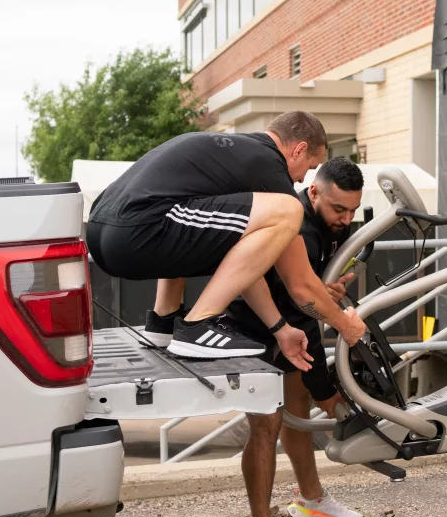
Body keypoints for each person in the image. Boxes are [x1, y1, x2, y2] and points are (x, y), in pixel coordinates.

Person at [86, 111, 366, 363]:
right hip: (135, 229)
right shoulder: (269, 168)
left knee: (198, 213)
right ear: (299, 149)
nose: (304, 179)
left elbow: (245, 267)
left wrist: (280, 329)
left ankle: (164, 321)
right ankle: (197, 326)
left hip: (103, 230)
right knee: (290, 208)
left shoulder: (234, 157)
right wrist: (345, 325)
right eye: (309, 166)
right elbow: (301, 285)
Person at [224, 157, 366, 517]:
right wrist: (323, 302)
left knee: (298, 411)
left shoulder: (332, 224)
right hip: (253, 327)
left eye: (354, 210)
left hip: (296, 326)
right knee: (267, 425)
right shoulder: (294, 221)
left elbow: (307, 289)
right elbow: (290, 288)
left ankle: (311, 499)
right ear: (315, 192)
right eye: (339, 209)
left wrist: (325, 290)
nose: (347, 218)